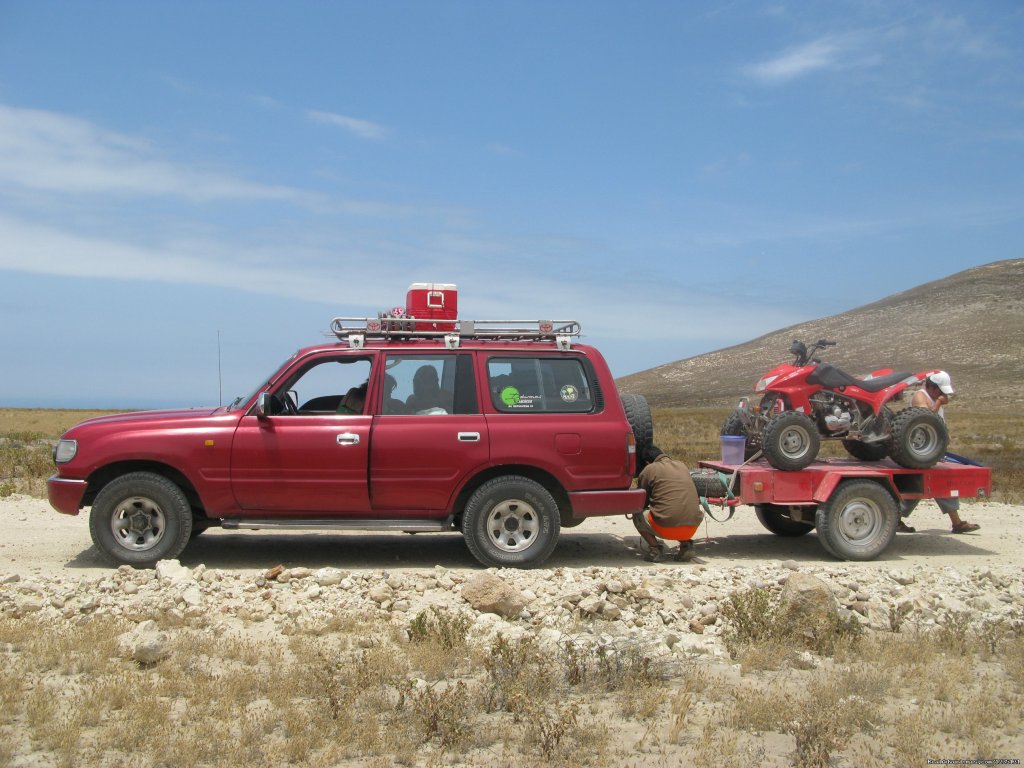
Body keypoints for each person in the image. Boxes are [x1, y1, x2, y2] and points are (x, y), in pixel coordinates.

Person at [898, 371, 980, 534]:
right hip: (919, 449)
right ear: (931, 387)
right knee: (928, 483)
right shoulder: (920, 397)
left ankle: (896, 518)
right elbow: (926, 418)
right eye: (940, 391)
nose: (942, 394)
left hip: (930, 450)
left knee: (929, 483)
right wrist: (939, 404)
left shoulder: (933, 398)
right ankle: (956, 523)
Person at [633, 445, 704, 562]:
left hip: (666, 528)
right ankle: (686, 545)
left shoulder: (649, 469)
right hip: (691, 528)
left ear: (647, 462)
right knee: (677, 509)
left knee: (637, 513)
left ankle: (655, 550)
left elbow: (641, 501)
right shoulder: (682, 466)